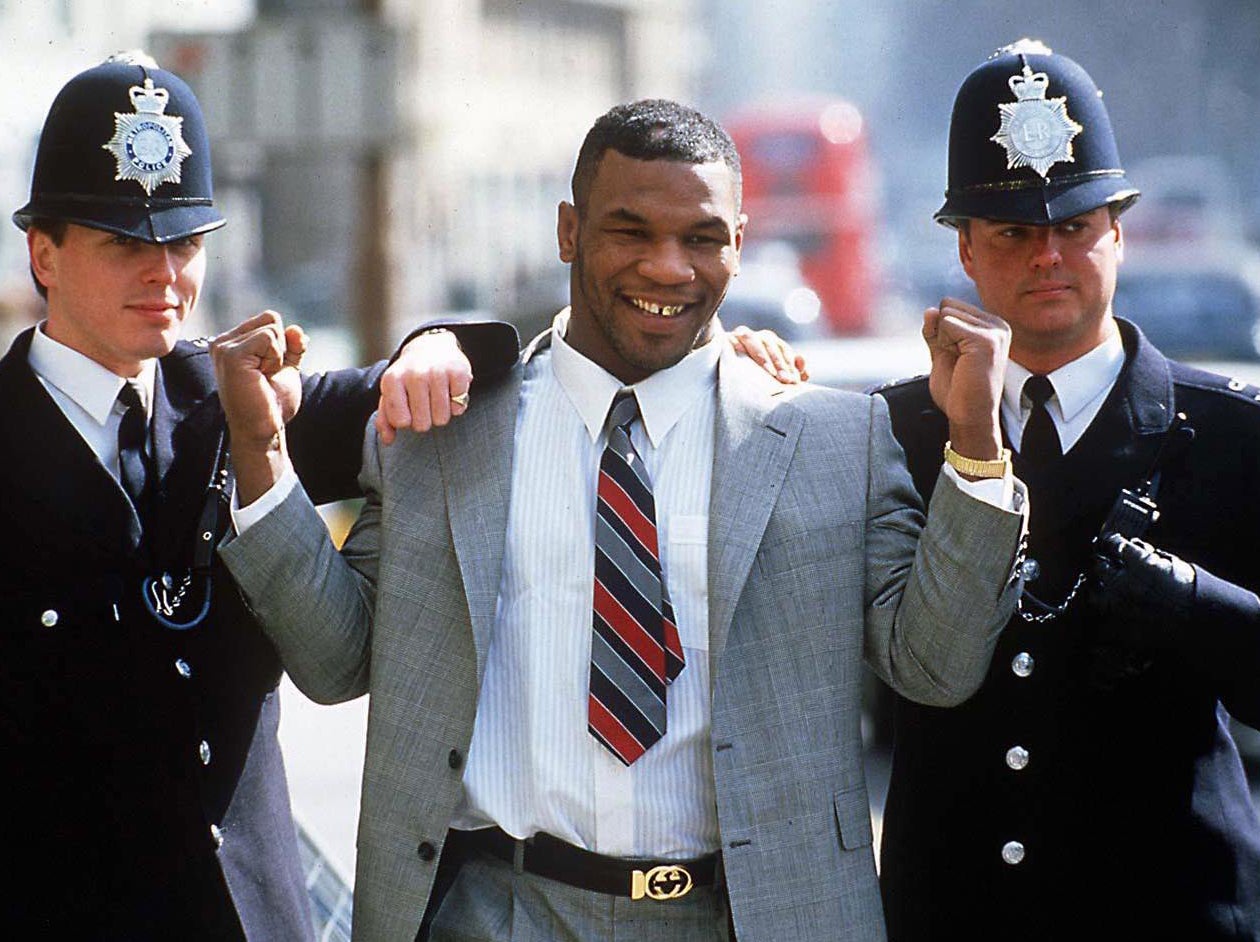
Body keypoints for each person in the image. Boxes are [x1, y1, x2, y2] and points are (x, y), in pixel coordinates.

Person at [215, 98, 1027, 941]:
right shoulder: (446, 436)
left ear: (739, 245)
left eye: (702, 239)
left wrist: (975, 444)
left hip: (748, 918)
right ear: (569, 231)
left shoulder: (832, 442)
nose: (668, 268)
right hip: (498, 913)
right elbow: (336, 661)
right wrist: (262, 458)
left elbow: (935, 668)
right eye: (630, 232)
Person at [0, 53, 519, 939]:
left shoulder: (233, 402)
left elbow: (436, 389)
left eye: (185, 244)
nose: (164, 274)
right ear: (44, 253)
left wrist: (437, 345)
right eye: (125, 244)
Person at [875, 39, 1260, 941]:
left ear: (1118, 231)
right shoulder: (891, 434)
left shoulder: (1234, 433)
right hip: (958, 916)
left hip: (1173, 917)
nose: (1048, 257)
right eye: (1013, 232)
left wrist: (1195, 605)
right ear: (965, 248)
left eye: (1075, 226)